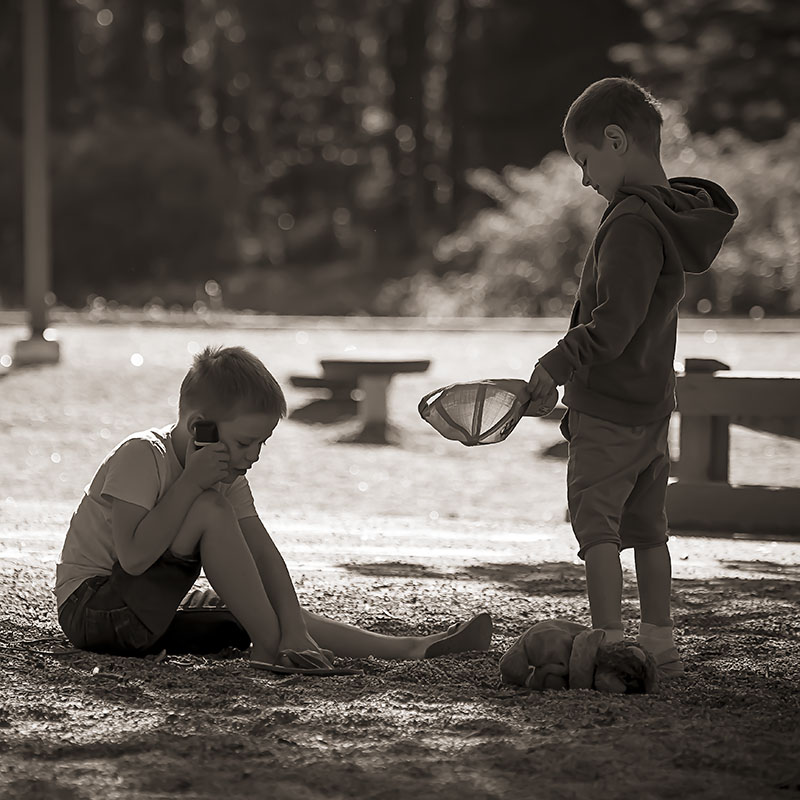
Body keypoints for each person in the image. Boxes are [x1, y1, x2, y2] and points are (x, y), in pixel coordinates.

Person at [54, 345, 492, 671]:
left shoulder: (224, 477)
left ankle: (414, 648)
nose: (255, 455)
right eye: (245, 442)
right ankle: (268, 650)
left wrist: (294, 627)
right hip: (94, 609)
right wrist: (190, 484)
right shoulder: (142, 455)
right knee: (211, 510)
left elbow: (262, 552)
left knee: (262, 605)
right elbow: (132, 557)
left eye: (262, 443)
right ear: (198, 427)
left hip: (148, 608)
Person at [526, 77, 738, 674]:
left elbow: (612, 325)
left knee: (597, 527)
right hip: (650, 408)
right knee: (648, 530)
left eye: (586, 161)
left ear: (616, 141)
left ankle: (611, 644)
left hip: (611, 410)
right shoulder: (671, 215)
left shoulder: (630, 223)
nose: (585, 178)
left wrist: (556, 364)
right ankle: (659, 641)